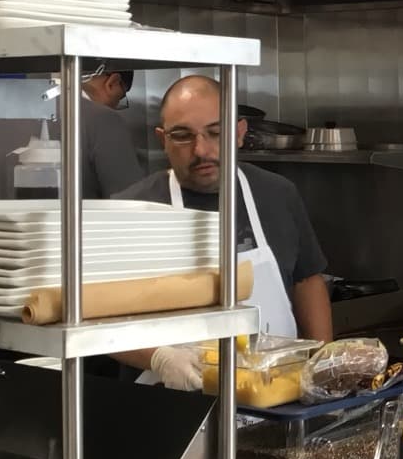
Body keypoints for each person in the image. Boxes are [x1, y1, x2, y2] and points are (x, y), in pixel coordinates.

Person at [114, 75, 333, 389]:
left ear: (240, 133)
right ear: (163, 139)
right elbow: (94, 320)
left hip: (277, 399)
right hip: (172, 403)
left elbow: (307, 279)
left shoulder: (277, 194)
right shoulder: (131, 210)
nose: (201, 149)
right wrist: (158, 358)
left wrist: (320, 365)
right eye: (182, 136)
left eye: (215, 133)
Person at [0, 59, 145, 200]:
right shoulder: (104, 121)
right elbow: (132, 207)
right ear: (112, 83)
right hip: (59, 242)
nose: (115, 106)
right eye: (120, 98)